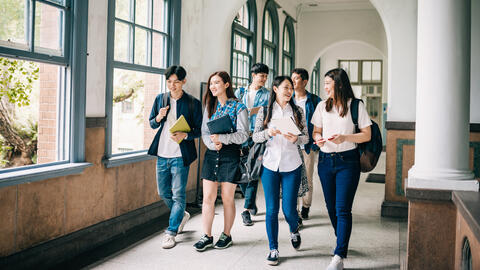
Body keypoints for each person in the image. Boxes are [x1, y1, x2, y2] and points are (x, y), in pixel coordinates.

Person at [311, 68, 372, 270]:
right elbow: (316, 130)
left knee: (342, 209)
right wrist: (317, 139)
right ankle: (342, 241)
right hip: (326, 162)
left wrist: (345, 137)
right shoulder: (322, 106)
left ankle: (339, 255)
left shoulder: (356, 105)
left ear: (338, 83)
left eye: (328, 83)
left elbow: (366, 135)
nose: (325, 87)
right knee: (330, 207)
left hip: (348, 162)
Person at [252, 76, 309, 266]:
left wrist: (296, 139)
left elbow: (306, 138)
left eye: (291, 88)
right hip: (270, 165)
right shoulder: (265, 111)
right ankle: (273, 249)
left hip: (292, 165)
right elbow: (255, 136)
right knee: (271, 210)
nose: (289, 91)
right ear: (275, 89)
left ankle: (294, 229)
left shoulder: (298, 111)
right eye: (285, 87)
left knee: (289, 210)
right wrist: (268, 132)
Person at [147, 65, 203, 249]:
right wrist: (158, 117)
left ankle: (171, 232)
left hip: (180, 155)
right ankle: (181, 215)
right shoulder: (160, 99)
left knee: (178, 195)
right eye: (169, 82)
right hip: (162, 154)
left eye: (176, 82)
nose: (172, 85)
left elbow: (199, 130)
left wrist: (184, 135)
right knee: (163, 192)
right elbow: (152, 124)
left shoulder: (193, 103)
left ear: (183, 81)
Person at [193, 71, 249, 251]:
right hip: (212, 154)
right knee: (208, 198)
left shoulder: (239, 107)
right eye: (211, 83)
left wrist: (222, 139)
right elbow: (204, 131)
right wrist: (211, 143)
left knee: (227, 198)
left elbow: (243, 135)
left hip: (230, 154)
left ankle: (227, 234)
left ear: (226, 84)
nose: (213, 86)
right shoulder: (210, 106)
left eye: (217, 82)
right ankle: (207, 236)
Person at [234, 63, 270, 226]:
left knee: (254, 172)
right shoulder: (240, 92)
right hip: (239, 137)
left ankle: (246, 209)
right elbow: (233, 111)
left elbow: (268, 114)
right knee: (242, 174)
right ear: (253, 75)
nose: (264, 79)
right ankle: (251, 201)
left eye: (265, 76)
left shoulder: (267, 95)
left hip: (256, 138)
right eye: (261, 75)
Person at [291, 68, 321, 224]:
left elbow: (320, 123)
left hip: (307, 146)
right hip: (291, 146)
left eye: (296, 78)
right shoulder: (289, 99)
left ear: (304, 81)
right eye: (292, 78)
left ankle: (306, 207)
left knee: (307, 179)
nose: (293, 81)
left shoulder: (314, 100)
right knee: (292, 180)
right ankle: (294, 212)